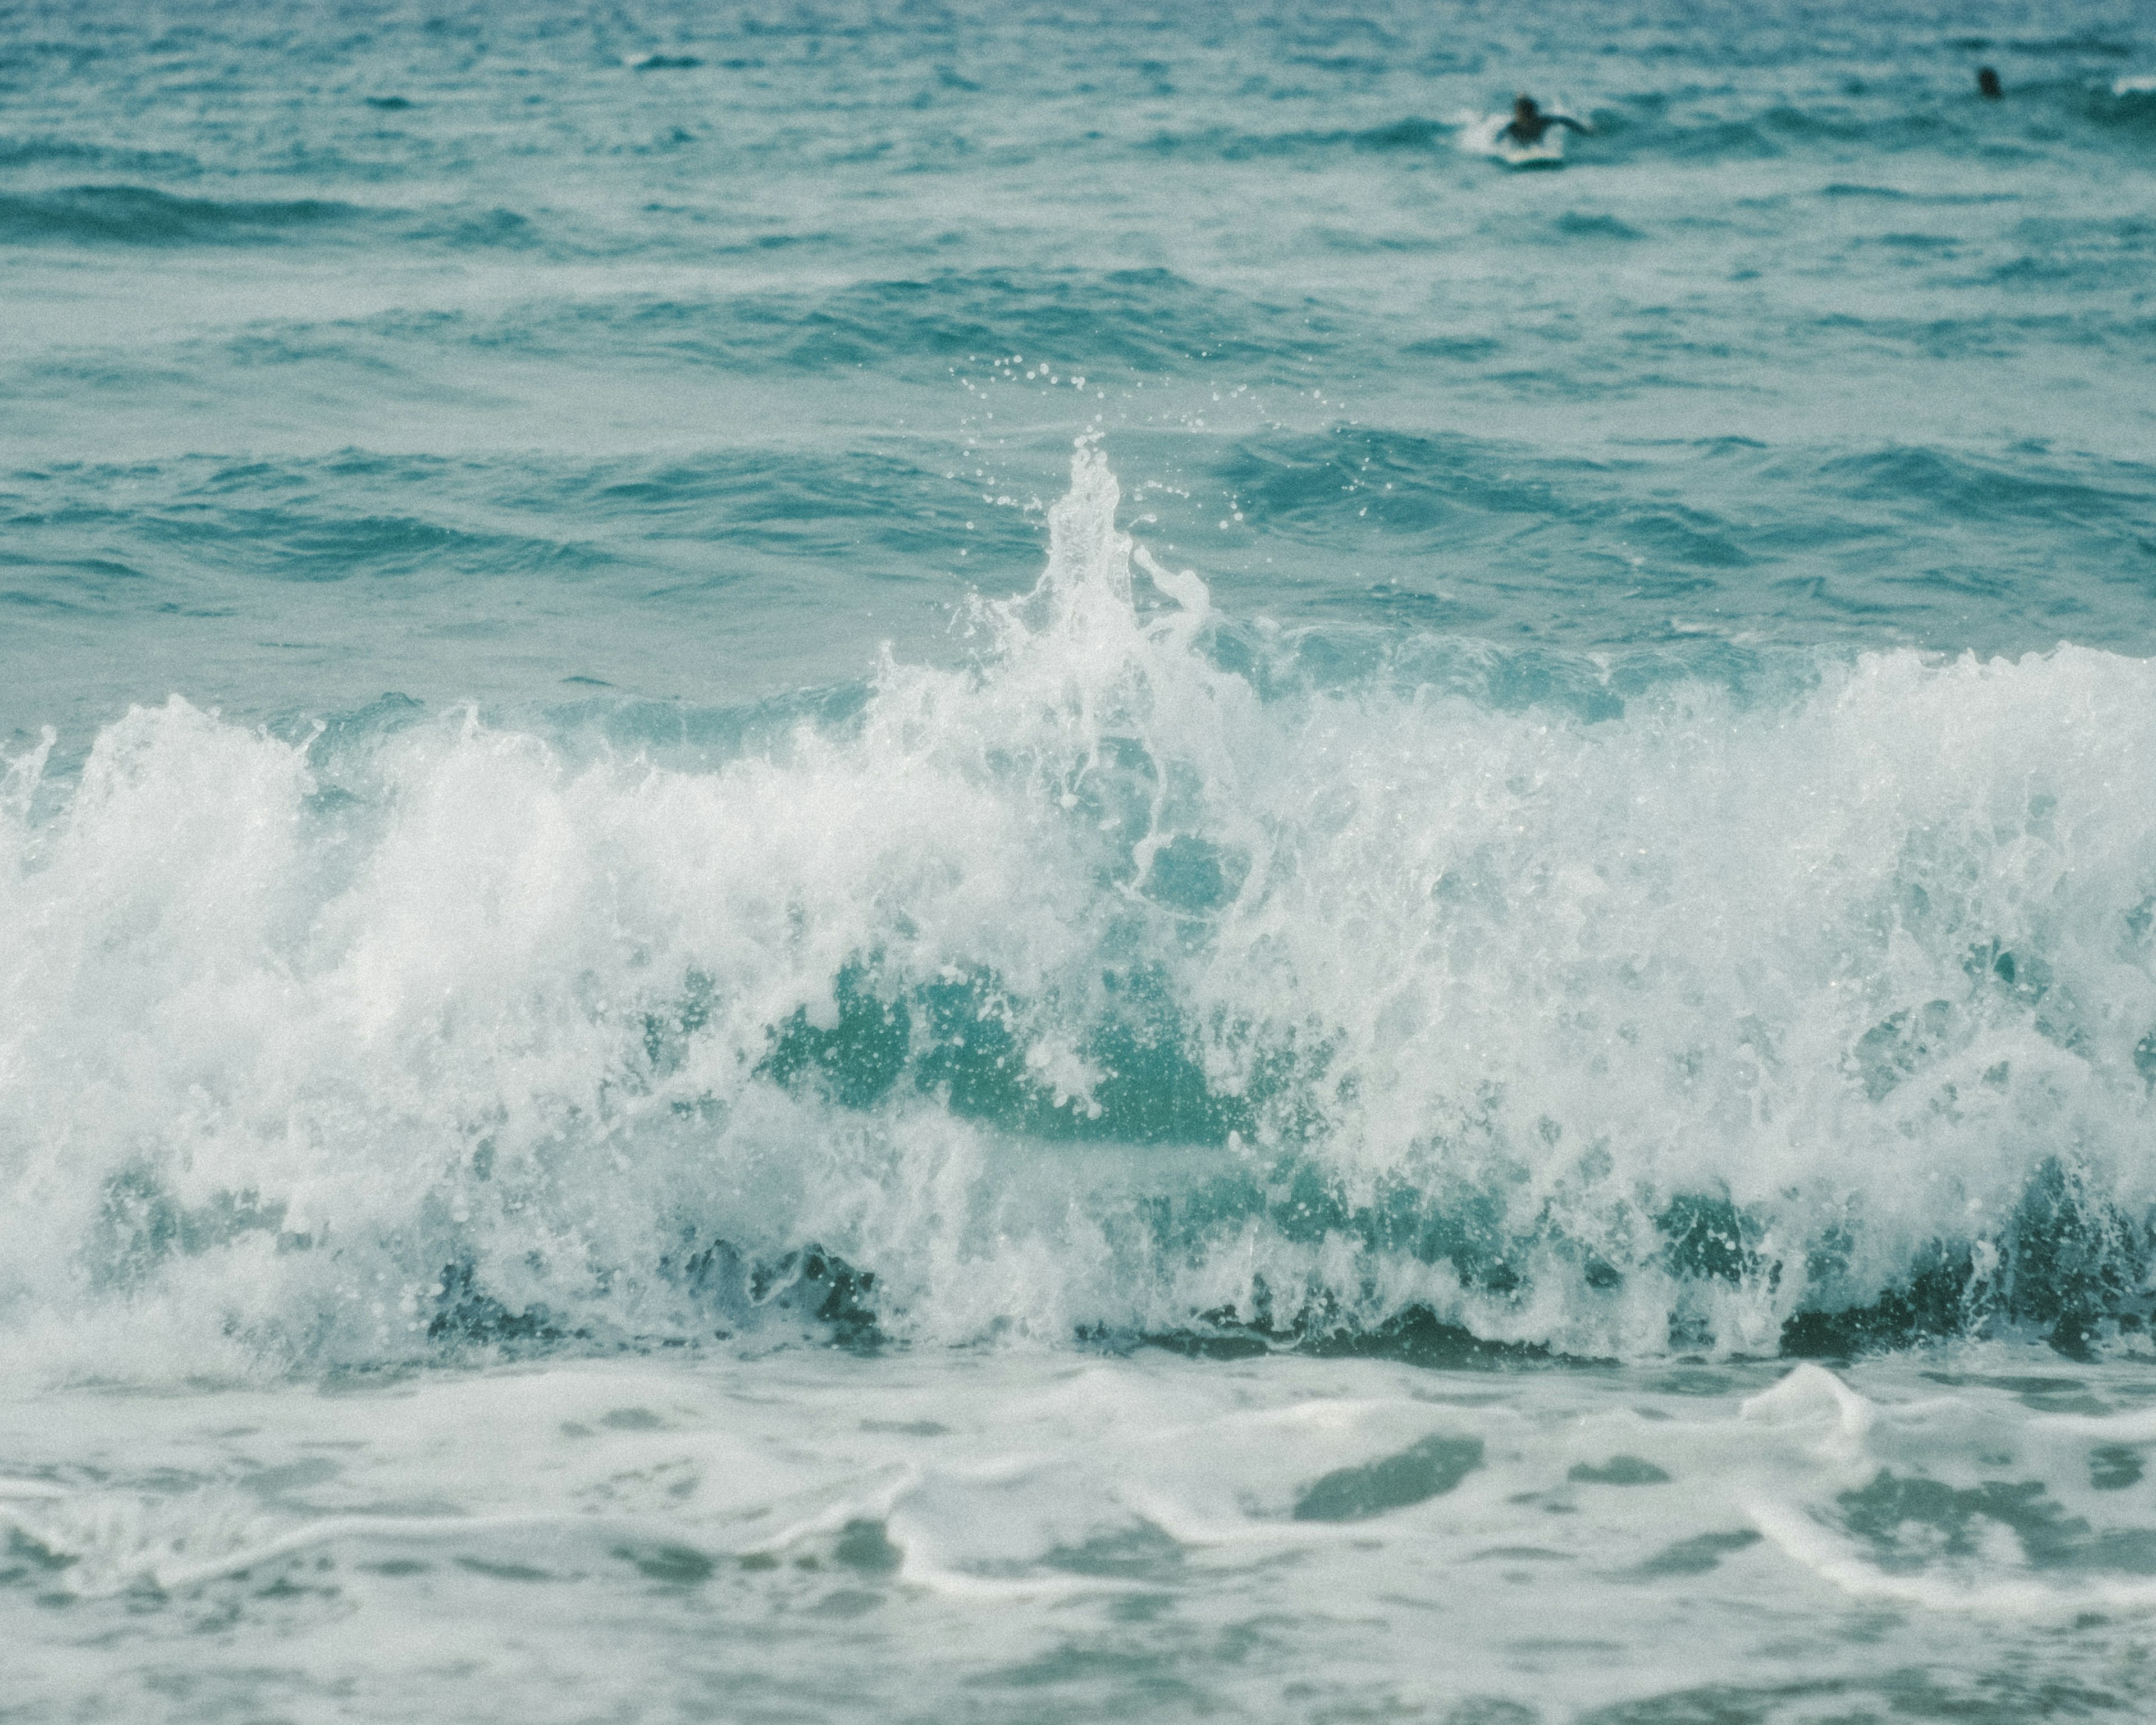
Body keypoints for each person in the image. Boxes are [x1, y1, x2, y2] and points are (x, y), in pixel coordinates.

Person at [1501, 95, 1592, 145]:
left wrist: (1584, 130)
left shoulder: (1542, 122)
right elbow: (1496, 143)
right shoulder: (1513, 127)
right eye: (1518, 114)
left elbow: (1565, 121)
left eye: (1525, 114)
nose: (1520, 117)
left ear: (1533, 113)